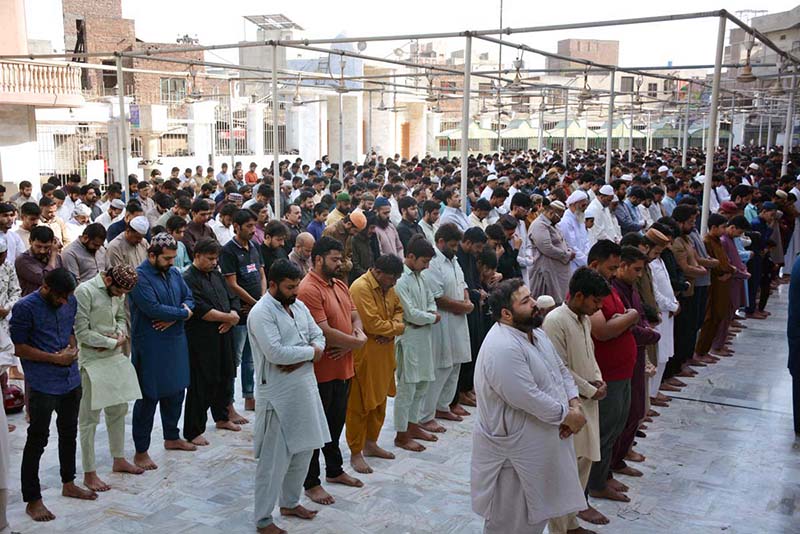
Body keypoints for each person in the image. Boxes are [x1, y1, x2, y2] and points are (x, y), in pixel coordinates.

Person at [471, 279, 587, 534]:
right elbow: (526, 396)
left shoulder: (537, 334)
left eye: (531, 297)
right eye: (525, 301)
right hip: (514, 453)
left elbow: (561, 371)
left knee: (535, 518)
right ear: (506, 313)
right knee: (510, 522)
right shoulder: (502, 346)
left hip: (543, 443)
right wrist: (566, 416)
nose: (535, 304)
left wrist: (575, 404)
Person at [248, 259, 328, 534]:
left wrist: (308, 353)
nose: (295, 292)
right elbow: (276, 354)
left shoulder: (298, 305)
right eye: (290, 287)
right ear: (273, 284)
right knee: (273, 461)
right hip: (278, 395)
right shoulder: (261, 313)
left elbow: (319, 335)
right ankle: (263, 519)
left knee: (304, 449)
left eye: (296, 286)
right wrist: (310, 353)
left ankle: (290, 502)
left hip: (305, 388)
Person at [11, 268, 97, 521]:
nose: (63, 302)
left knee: (69, 431)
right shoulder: (25, 307)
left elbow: (70, 330)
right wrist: (53, 359)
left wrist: (72, 349)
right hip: (43, 383)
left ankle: (68, 483)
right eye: (59, 297)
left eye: (66, 297)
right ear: (46, 288)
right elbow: (20, 348)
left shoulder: (69, 300)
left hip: (70, 378)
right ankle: (33, 499)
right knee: (38, 438)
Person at [297, 236, 367, 505]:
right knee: (316, 429)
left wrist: (355, 338)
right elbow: (323, 331)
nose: (340, 264)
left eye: (341, 259)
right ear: (318, 259)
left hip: (343, 367)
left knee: (335, 424)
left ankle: (335, 470)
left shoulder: (338, 283)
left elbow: (354, 314)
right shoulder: (308, 289)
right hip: (321, 372)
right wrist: (357, 343)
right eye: (335, 259)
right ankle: (311, 482)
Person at [545, 267, 612, 532]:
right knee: (565, 471)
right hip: (570, 404)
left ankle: (571, 523)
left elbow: (589, 357)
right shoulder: (555, 321)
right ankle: (560, 528)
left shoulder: (583, 320)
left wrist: (599, 380)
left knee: (582, 465)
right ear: (580, 295)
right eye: (595, 301)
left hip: (589, 402)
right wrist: (588, 388)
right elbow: (557, 368)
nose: (598, 308)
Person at [128, 233, 196, 471]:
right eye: (167, 259)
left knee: (176, 391)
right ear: (152, 255)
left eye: (173, 258)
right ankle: (141, 450)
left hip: (175, 341)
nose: (171, 262)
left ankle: (172, 436)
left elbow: (190, 298)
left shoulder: (175, 273)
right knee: (148, 397)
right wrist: (182, 314)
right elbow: (152, 308)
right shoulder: (139, 277)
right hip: (150, 345)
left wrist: (177, 316)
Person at [74, 265, 143, 492]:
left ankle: (119, 458)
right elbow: (81, 332)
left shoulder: (117, 292)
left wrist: (120, 334)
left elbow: (122, 316)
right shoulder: (85, 291)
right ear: (108, 280)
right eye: (120, 290)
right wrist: (111, 342)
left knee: (119, 410)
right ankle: (89, 472)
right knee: (89, 419)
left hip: (115, 357)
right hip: (92, 361)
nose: (122, 295)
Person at [585, 240, 639, 503]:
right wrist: (630, 317)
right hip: (606, 374)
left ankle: (603, 475)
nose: (615, 273)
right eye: (611, 267)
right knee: (603, 432)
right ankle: (595, 484)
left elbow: (618, 318)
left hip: (621, 371)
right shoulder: (590, 290)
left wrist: (625, 317)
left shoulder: (608, 288)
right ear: (595, 265)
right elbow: (603, 330)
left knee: (616, 427)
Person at [346, 254, 405, 474]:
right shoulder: (360, 288)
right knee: (359, 405)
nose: (394, 283)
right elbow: (371, 324)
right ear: (378, 272)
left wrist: (393, 329)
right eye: (392, 278)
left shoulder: (389, 287)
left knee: (379, 403)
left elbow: (400, 312)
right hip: (366, 355)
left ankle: (371, 443)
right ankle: (355, 452)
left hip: (385, 354)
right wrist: (395, 328)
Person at [182, 238, 241, 446]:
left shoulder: (216, 274)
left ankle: (222, 417)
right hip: (202, 338)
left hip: (224, 333)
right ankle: (193, 429)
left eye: (216, 258)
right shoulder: (188, 278)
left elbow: (231, 296)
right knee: (202, 383)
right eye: (210, 258)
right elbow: (199, 309)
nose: (214, 262)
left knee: (226, 375)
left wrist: (232, 315)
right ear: (197, 255)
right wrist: (227, 318)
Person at [608, 246, 659, 479]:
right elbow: (624, 326)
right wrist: (649, 334)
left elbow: (638, 315)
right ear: (623, 266)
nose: (639, 274)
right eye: (636, 269)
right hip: (622, 358)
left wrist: (647, 328)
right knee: (623, 413)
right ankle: (611, 465)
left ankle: (619, 459)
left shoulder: (630, 287)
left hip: (636, 355)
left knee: (636, 408)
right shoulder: (614, 290)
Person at [420, 223, 474, 431]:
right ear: (440, 242)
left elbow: (463, 284)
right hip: (443, 319)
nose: (455, 248)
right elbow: (438, 297)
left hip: (459, 318)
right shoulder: (433, 262)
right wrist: (464, 307)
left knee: (455, 364)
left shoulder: (454, 260)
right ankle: (426, 414)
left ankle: (443, 406)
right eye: (452, 245)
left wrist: (467, 301)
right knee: (441, 365)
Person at [393, 235, 441, 452]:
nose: (427, 266)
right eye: (424, 261)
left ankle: (413, 426)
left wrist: (431, 313)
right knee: (407, 388)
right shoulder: (400, 281)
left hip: (424, 337)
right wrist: (432, 317)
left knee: (422, 384)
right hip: (409, 337)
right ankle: (401, 434)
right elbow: (410, 313)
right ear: (410, 257)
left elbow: (431, 300)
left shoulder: (421, 277)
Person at [220, 208, 266, 417]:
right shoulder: (228, 251)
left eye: (253, 226)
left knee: (250, 357)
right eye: (248, 226)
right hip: (239, 311)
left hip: (254, 310)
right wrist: (255, 302)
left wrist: (262, 299)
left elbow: (262, 274)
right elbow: (232, 284)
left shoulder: (255, 246)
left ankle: (249, 396)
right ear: (236, 227)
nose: (252, 230)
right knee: (234, 359)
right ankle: (227, 404)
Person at [528, 201, 575, 306]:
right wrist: (566, 255)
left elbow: (562, 241)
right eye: (559, 216)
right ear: (551, 212)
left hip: (558, 271)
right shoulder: (539, 225)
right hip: (547, 271)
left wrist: (568, 250)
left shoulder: (553, 224)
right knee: (549, 304)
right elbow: (547, 248)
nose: (560, 219)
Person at [16, 225, 62, 296]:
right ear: (30, 241)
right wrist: (53, 255)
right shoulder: (23, 260)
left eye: (46, 247)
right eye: (38, 246)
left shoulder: (56, 257)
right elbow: (46, 279)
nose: (42, 251)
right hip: (32, 303)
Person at [559, 191, 591, 271]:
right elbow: (571, 247)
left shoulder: (579, 218)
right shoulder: (566, 222)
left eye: (586, 205)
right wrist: (585, 261)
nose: (585, 208)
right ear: (573, 204)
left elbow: (586, 240)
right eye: (583, 205)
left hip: (584, 262)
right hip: (573, 265)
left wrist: (588, 256)